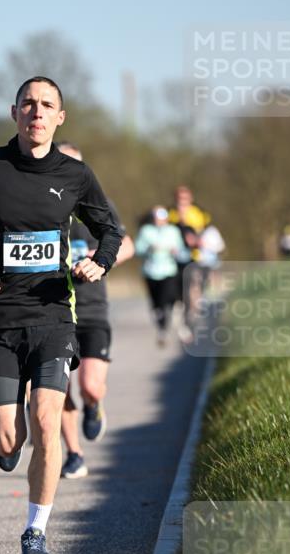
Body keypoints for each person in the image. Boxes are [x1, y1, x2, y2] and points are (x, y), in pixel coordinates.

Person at [0, 77, 122, 554]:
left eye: (47, 106)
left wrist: (99, 263)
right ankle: (5, 436)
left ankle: (35, 531)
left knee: (47, 423)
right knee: (9, 439)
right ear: (14, 112)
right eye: (29, 104)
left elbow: (110, 229)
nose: (37, 112)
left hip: (52, 319)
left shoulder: (76, 174)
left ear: (60, 117)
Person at [56, 141, 134, 480]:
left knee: (89, 385)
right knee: (57, 387)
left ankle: (93, 404)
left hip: (92, 309)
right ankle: (73, 453)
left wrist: (100, 261)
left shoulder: (99, 205)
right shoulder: (40, 207)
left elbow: (126, 244)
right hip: (55, 309)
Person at [135, 207, 185, 345]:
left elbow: (181, 249)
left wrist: (176, 251)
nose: (159, 221)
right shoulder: (146, 231)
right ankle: (162, 329)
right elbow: (137, 249)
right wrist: (148, 249)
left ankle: (170, 329)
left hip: (168, 271)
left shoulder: (173, 231)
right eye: (157, 218)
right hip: (150, 272)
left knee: (169, 301)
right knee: (157, 305)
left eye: (162, 218)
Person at [168, 185, 211, 340]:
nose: (182, 202)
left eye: (185, 198)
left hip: (194, 257)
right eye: (179, 199)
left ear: (190, 199)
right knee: (178, 292)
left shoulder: (197, 214)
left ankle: (192, 315)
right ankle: (181, 316)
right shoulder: (170, 214)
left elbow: (204, 234)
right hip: (174, 259)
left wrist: (197, 240)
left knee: (192, 287)